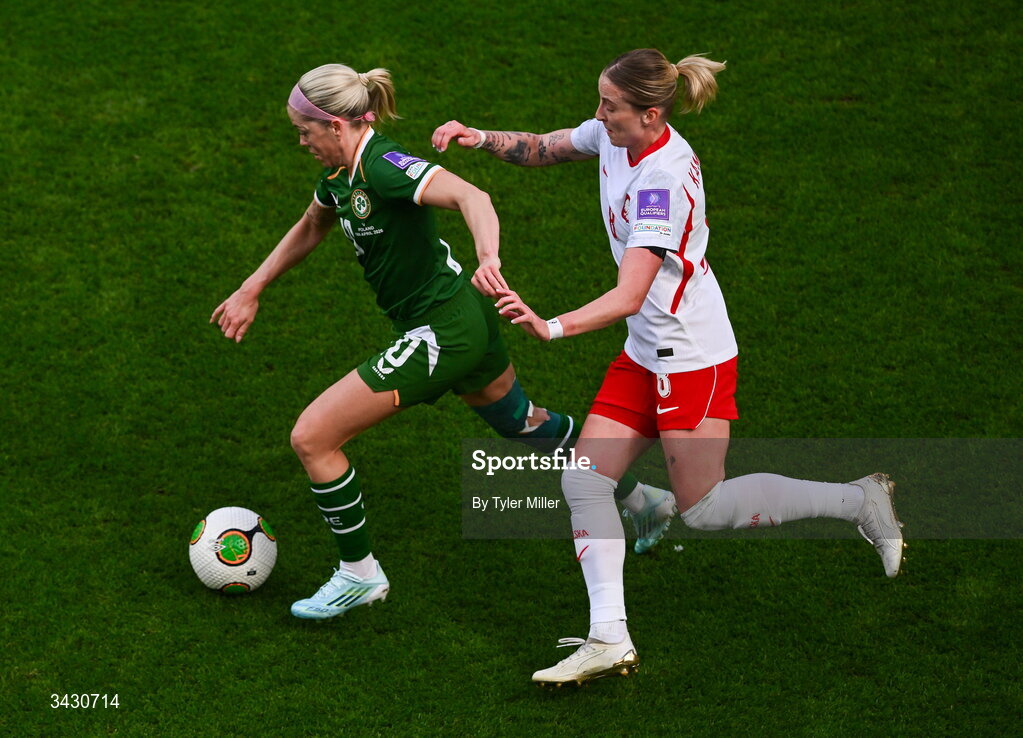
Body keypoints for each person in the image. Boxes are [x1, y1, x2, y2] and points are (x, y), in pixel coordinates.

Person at [431, 48, 906, 686]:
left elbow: (630, 293)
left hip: (690, 357)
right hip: (644, 349)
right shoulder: (614, 133)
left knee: (704, 507)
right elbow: (547, 146)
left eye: (610, 107)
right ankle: (609, 638)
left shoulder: (662, 183)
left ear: (651, 114)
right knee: (585, 481)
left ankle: (858, 500)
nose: (598, 116)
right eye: (600, 102)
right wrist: (480, 137)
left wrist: (551, 325)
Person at [211, 64, 673, 621]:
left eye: (305, 131)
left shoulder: (385, 167)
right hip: (464, 322)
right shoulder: (341, 177)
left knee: (312, 438)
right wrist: (252, 286)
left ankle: (360, 574)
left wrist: (489, 258)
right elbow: (314, 223)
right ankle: (643, 501)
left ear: (335, 125)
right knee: (522, 422)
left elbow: (473, 196)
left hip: (444, 331)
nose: (300, 141)